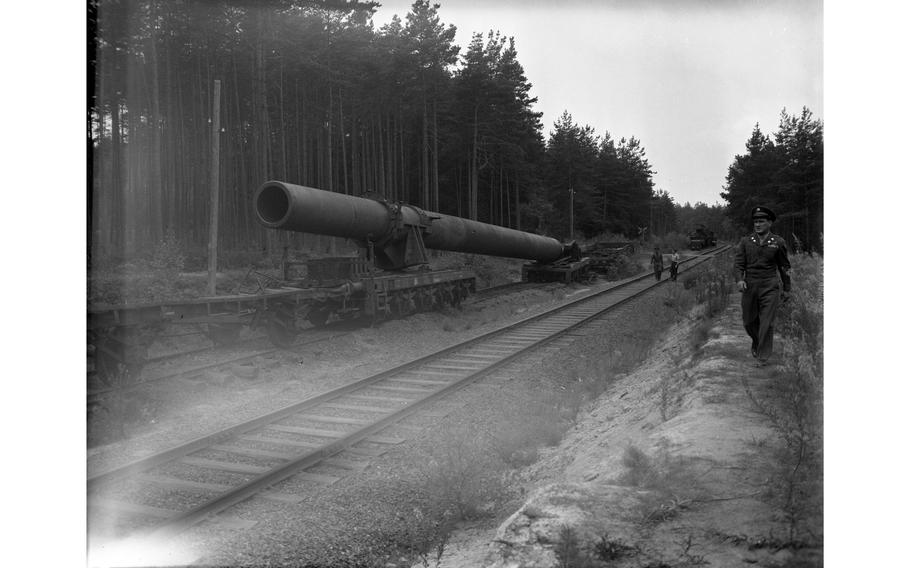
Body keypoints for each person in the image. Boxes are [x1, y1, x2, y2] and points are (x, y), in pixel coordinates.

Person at [734, 206, 792, 366]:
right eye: (756, 222)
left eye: (761, 221)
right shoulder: (746, 242)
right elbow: (738, 264)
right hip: (750, 286)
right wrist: (739, 279)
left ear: (769, 223)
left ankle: (762, 356)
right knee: (748, 321)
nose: (758, 225)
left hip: (769, 286)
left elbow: (784, 267)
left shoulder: (777, 242)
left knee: (767, 321)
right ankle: (757, 341)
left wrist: (787, 289)